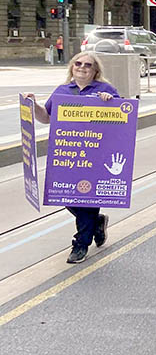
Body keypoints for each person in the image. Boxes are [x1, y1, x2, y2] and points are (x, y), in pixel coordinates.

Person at [29, 52, 119, 264]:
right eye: (78, 63)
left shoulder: (105, 90)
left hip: (95, 156)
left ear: (95, 71)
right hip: (69, 155)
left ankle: (80, 244)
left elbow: (122, 118)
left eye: (88, 65)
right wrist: (34, 106)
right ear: (72, 67)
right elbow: (47, 118)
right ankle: (96, 222)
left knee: (86, 199)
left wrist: (110, 102)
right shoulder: (62, 91)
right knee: (68, 197)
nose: (82, 67)